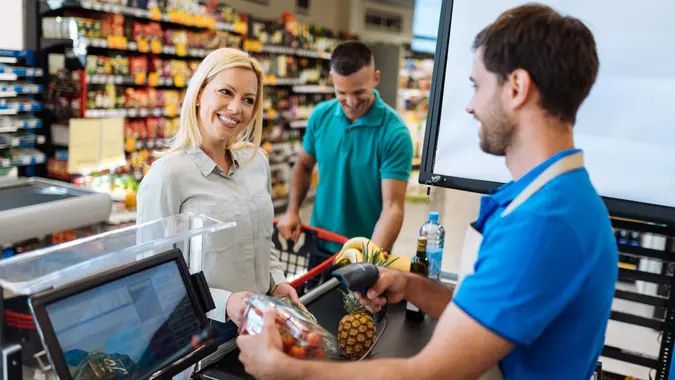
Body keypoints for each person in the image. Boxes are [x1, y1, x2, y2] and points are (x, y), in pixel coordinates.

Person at [236, 4, 618, 379]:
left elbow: (430, 372)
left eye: (477, 86)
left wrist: (284, 369)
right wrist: (412, 285)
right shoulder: (549, 199)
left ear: (516, 88)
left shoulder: (544, 224)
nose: (469, 106)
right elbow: (485, 310)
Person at [136, 48, 301, 345]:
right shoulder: (167, 175)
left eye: (248, 100)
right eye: (226, 92)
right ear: (199, 92)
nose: (236, 108)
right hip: (205, 329)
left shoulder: (255, 162)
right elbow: (154, 277)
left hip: (261, 320)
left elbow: (262, 240)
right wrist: (225, 303)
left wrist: (277, 282)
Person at [277, 41, 414, 254]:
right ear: (332, 80)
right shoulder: (321, 116)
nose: (350, 102)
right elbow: (303, 165)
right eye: (342, 92)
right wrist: (292, 210)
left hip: (365, 249)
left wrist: (370, 259)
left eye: (359, 92)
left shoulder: (394, 133)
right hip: (319, 242)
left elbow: (392, 207)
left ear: (375, 78)